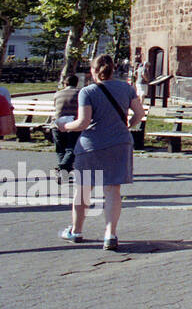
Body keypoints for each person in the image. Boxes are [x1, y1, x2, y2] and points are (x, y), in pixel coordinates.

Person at [55, 54, 145, 251]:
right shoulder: (126, 88)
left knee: (83, 189)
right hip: (119, 143)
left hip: (91, 145)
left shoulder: (87, 92)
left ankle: (76, 231)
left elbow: (83, 123)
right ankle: (110, 235)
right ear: (113, 69)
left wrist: (64, 126)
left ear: (93, 71)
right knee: (113, 190)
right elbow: (140, 113)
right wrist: (128, 125)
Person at [52, 75, 82, 178]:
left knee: (60, 149)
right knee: (71, 149)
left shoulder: (58, 94)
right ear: (76, 83)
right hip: (73, 124)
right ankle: (62, 169)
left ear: (65, 83)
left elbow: (55, 107)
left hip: (57, 124)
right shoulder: (80, 93)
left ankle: (62, 174)